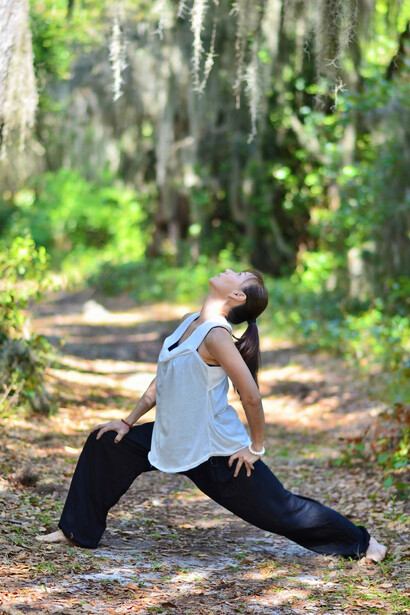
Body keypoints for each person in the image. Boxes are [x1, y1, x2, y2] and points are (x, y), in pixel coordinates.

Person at [38, 269, 386, 562]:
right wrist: (128, 421)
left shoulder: (217, 335)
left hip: (215, 450)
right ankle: (75, 532)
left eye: (238, 274)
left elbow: (250, 394)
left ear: (236, 295)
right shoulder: (192, 321)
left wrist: (256, 447)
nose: (228, 270)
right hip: (174, 435)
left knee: (282, 509)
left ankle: (362, 543)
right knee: (106, 443)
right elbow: (164, 379)